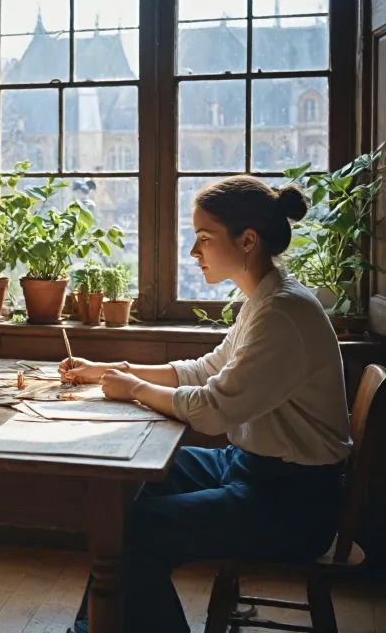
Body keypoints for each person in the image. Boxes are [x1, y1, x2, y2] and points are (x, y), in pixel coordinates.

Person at [60, 176, 351, 633]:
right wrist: (110, 368)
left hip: (292, 503)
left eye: (204, 239)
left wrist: (134, 388)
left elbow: (213, 408)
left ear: (247, 240)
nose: (194, 253)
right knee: (130, 484)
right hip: (253, 469)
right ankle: (98, 625)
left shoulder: (282, 313)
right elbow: (204, 370)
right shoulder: (264, 300)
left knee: (136, 532)